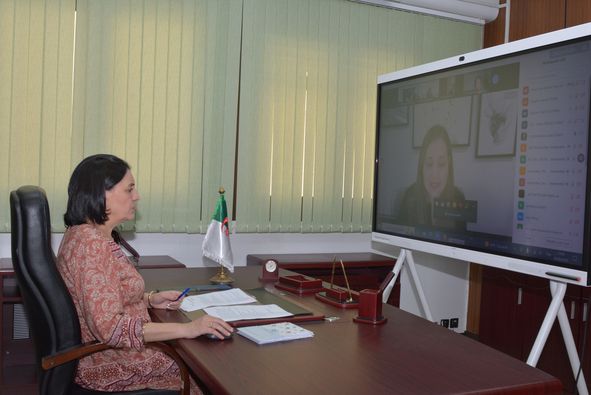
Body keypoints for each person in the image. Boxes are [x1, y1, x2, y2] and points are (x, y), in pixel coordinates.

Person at [56, 154, 233, 394]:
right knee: (208, 371)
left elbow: (102, 296)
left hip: (104, 353)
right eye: (129, 189)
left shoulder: (86, 234)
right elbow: (111, 329)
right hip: (106, 362)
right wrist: (189, 328)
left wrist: (149, 299)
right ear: (102, 193)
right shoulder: (91, 246)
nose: (136, 196)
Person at [398, 125, 466, 230]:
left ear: (449, 166)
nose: (435, 174)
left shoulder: (458, 199)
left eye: (442, 164)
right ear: (422, 166)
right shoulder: (409, 196)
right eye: (429, 164)